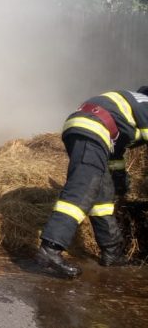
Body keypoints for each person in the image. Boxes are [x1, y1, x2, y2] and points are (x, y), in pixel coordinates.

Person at [35, 86, 148, 278]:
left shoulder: (133, 105)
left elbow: (115, 153)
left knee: (102, 197)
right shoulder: (145, 104)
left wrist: (119, 178)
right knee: (82, 189)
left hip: (90, 129)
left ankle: (112, 252)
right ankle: (50, 249)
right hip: (94, 129)